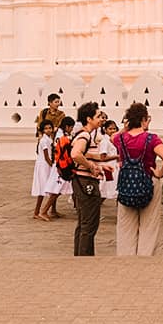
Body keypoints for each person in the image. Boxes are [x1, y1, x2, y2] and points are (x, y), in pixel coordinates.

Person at [114, 102, 163, 255]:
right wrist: (160, 173)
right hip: (148, 181)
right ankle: (145, 258)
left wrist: (127, 126)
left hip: (126, 184)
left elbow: (112, 137)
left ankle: (125, 258)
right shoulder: (151, 139)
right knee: (149, 225)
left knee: (125, 226)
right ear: (144, 119)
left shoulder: (121, 139)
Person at [67, 102, 108, 255]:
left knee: (83, 222)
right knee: (89, 224)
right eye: (98, 116)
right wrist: (91, 166)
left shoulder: (84, 135)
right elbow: (76, 154)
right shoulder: (84, 135)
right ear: (88, 119)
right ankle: (85, 258)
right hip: (86, 182)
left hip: (80, 181)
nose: (101, 119)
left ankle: (80, 256)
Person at [31, 119, 58, 221]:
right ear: (42, 130)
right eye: (46, 128)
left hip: (45, 165)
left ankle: (41, 211)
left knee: (48, 188)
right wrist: (52, 166)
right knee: (43, 189)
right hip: (44, 165)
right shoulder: (44, 140)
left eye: (50, 128)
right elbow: (47, 156)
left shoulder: (49, 139)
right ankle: (38, 212)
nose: (48, 130)